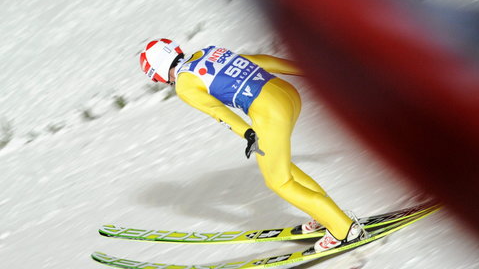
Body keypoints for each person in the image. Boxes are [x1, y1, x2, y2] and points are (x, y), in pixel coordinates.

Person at [139, 38, 365, 252]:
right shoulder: (207, 52)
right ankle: (324, 215)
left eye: (155, 78)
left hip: (270, 111)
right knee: (280, 164)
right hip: (287, 95)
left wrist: (247, 133)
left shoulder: (184, 85)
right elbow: (259, 60)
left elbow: (217, 111)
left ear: (157, 73)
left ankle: (342, 229)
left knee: (279, 181)